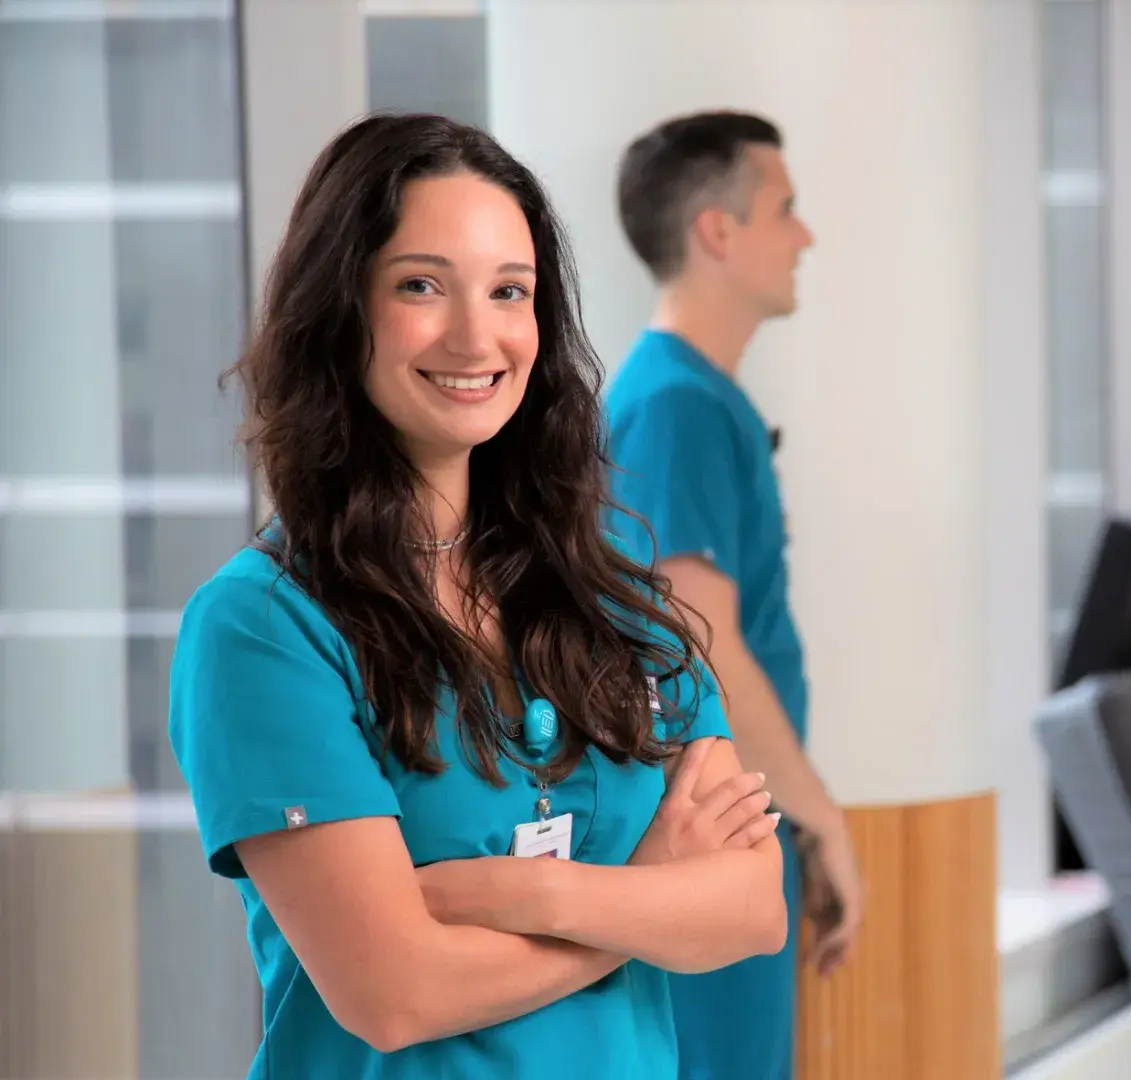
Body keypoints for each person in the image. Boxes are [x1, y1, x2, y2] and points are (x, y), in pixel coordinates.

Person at [167, 112, 788, 1080]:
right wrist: (649, 896)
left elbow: (752, 908)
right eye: (421, 285)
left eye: (511, 291)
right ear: (342, 311)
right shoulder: (264, 628)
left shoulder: (606, 599)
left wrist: (537, 897)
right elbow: (394, 993)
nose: (476, 334)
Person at [603, 109, 859, 1080]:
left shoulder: (695, 399)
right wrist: (823, 819)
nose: (806, 237)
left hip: (727, 826)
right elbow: (703, 641)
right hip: (705, 834)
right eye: (785, 210)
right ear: (718, 231)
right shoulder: (674, 407)